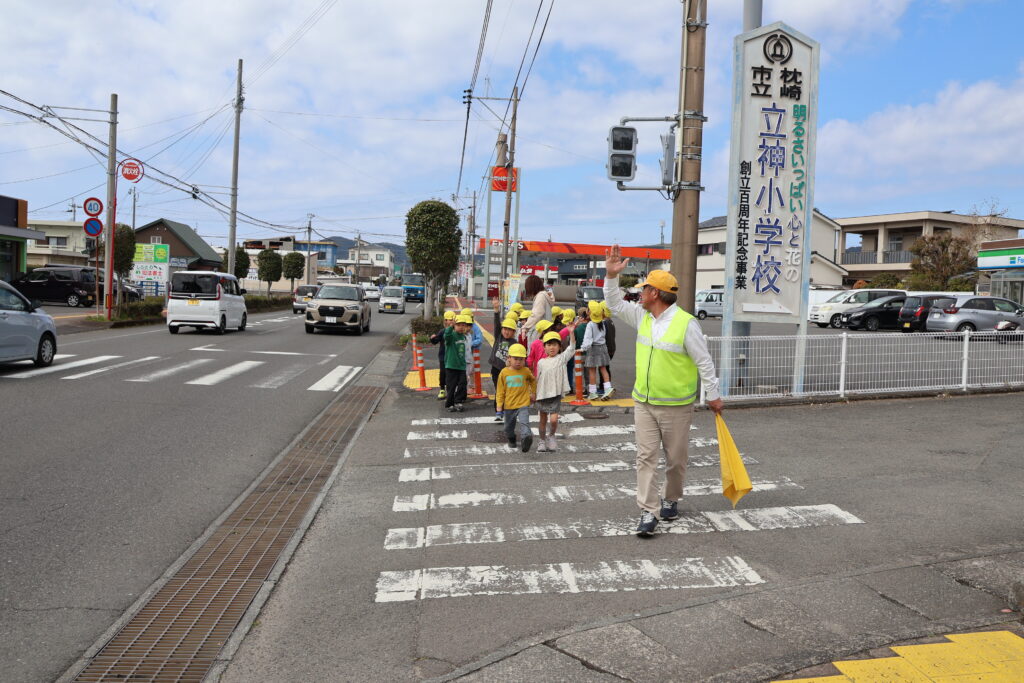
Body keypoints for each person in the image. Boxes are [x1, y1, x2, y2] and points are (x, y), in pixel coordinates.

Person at [603, 244, 724, 537]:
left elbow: (703, 362)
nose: (640, 293)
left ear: (655, 294)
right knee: (646, 457)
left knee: (676, 459)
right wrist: (610, 276)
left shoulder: (686, 324)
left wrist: (714, 394)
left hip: (676, 405)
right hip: (643, 402)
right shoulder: (642, 316)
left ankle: (672, 498)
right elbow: (615, 304)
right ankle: (649, 511)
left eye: (644, 289)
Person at [535, 329, 578, 452]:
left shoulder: (561, 359)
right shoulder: (541, 362)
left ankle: (552, 436)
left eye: (554, 345)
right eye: (548, 345)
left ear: (559, 347)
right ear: (544, 347)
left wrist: (571, 332)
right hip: (542, 395)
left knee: (553, 420)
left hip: (555, 395)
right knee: (542, 420)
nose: (551, 348)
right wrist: (533, 393)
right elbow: (537, 379)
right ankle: (542, 440)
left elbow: (572, 347)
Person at [495, 343, 536, 452]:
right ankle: (511, 439)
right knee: (508, 427)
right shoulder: (504, 373)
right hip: (509, 405)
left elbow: (533, 381)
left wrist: (533, 393)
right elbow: (500, 390)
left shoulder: (526, 371)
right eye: (516, 359)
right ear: (509, 358)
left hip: (523, 403)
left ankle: (526, 439)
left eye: (521, 359)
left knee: (524, 422)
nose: (518, 362)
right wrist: (499, 405)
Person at [489, 298, 518, 422]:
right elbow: (496, 323)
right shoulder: (498, 337)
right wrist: (496, 310)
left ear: (513, 332)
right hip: (496, 369)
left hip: (508, 371)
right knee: (498, 390)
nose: (506, 331)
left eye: (509, 330)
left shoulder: (515, 343)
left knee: (508, 391)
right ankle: (498, 412)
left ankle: (508, 411)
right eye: (504, 328)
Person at [580, 300, 614, 400]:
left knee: (592, 371)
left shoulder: (590, 325)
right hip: (603, 347)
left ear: (589, 312)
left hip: (593, 349)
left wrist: (582, 348)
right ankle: (608, 388)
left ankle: (593, 392)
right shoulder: (602, 323)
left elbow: (588, 339)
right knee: (603, 368)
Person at [441, 314, 473, 412]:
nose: (461, 327)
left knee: (463, 384)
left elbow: (464, 351)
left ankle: (458, 401)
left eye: (463, 325)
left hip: (461, 366)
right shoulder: (452, 336)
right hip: (451, 365)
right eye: (459, 325)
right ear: (455, 325)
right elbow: (446, 335)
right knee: (451, 386)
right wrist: (450, 327)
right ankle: (450, 403)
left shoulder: (464, 337)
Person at [430, 311, 456, 400]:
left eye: (453, 319)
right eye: (450, 320)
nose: (452, 321)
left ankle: (451, 390)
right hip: (443, 356)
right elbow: (435, 341)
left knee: (452, 374)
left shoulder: (456, 331)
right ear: (445, 321)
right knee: (443, 373)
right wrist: (432, 338)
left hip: (453, 357)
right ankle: (442, 389)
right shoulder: (442, 331)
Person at [521, 274, 554, 344]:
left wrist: (525, 327)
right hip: (546, 330)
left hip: (540, 332)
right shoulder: (544, 296)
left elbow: (536, 314)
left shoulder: (540, 297)